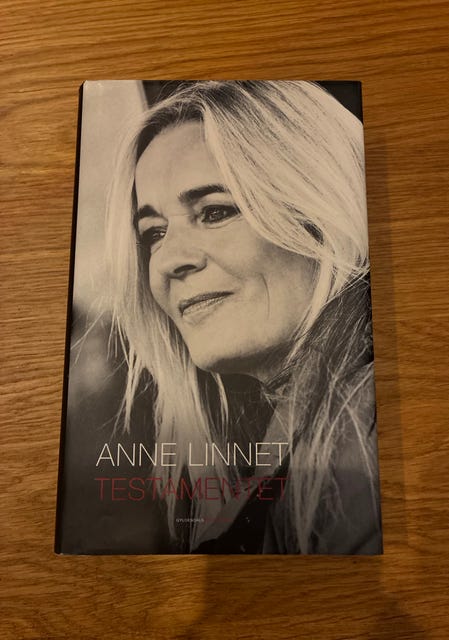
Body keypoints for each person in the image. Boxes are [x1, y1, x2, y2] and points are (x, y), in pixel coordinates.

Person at [105, 81, 382, 554]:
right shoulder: (297, 441)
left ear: (322, 216)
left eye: (215, 212)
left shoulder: (364, 426)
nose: (169, 261)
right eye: (154, 233)